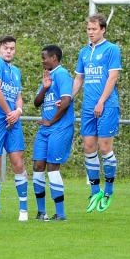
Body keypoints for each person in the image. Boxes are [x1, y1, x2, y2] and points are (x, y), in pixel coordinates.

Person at [73, 13, 122, 213]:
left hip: (107, 105)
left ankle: (109, 189)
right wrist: (68, 98)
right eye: (88, 29)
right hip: (88, 107)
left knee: (104, 148)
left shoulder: (112, 49)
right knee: (88, 146)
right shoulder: (84, 52)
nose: (90, 32)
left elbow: (113, 77)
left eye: (94, 29)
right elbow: (78, 78)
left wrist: (101, 101)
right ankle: (95, 191)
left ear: (103, 29)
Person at [0, 35, 29, 221]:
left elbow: (18, 95)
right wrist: (9, 112)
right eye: (6, 48)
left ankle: (23, 210)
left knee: (18, 163)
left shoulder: (16, 71)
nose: (9, 51)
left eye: (12, 48)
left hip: (13, 122)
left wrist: (17, 111)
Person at [32, 45, 74, 221]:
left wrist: (51, 121)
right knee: (37, 167)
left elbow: (65, 101)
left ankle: (60, 213)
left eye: (44, 58)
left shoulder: (63, 74)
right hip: (45, 130)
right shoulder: (48, 77)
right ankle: (41, 212)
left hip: (60, 128)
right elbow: (36, 103)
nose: (42, 61)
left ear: (54, 58)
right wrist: (44, 87)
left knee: (52, 168)